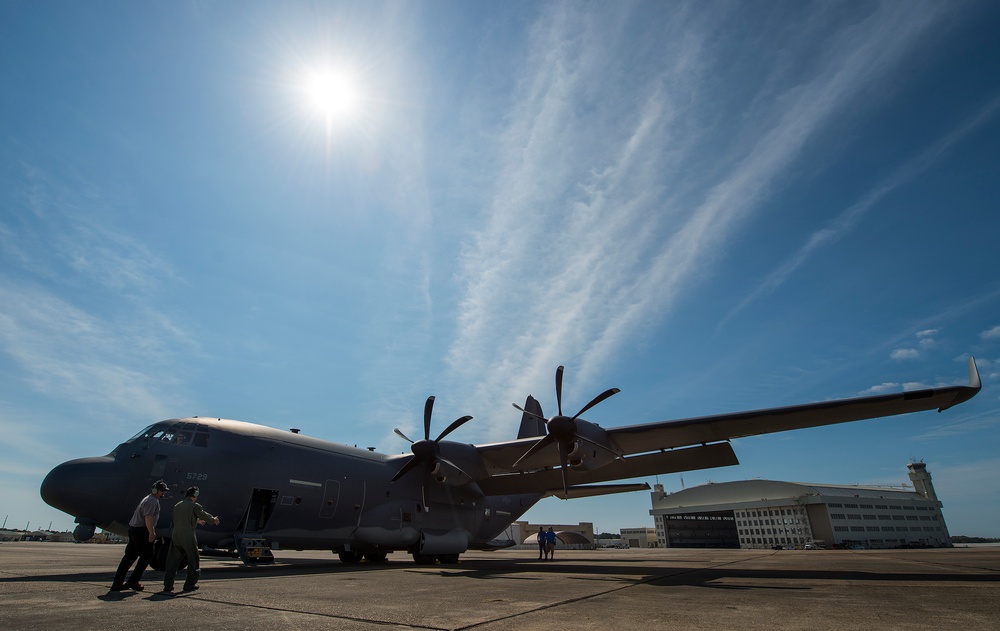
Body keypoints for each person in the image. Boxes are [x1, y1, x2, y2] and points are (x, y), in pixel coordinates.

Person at [109, 480, 169, 592]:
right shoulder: (152, 501)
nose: (164, 493)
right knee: (147, 556)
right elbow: (148, 517)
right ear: (155, 490)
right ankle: (133, 580)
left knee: (129, 557)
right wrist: (151, 532)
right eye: (162, 491)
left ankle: (117, 583)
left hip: (133, 529)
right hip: (142, 530)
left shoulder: (146, 498)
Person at [161, 486, 220, 594]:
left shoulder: (177, 505)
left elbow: (182, 517)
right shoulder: (194, 506)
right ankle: (190, 584)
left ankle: (167, 585)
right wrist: (213, 520)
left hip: (176, 535)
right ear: (195, 494)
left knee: (172, 561)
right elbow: (203, 514)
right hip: (188, 535)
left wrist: (196, 521)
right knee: (194, 559)